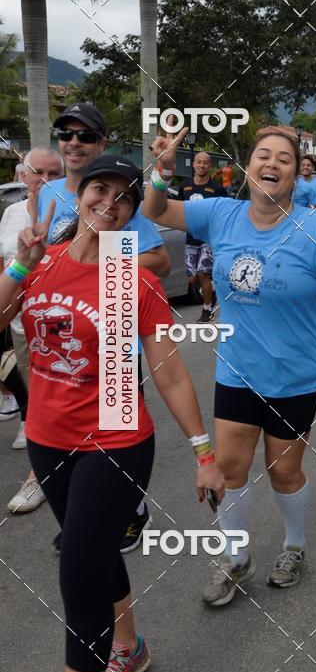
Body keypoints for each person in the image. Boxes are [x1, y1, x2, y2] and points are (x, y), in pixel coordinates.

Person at [0, 154, 224, 672]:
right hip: (47, 436)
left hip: (116, 437)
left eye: (124, 197)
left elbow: (169, 371)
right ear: (80, 195)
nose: (110, 202)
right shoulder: (38, 263)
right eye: (100, 188)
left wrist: (204, 452)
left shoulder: (131, 282)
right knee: (95, 554)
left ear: (131, 214)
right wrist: (19, 264)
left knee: (77, 569)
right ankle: (131, 646)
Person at [143, 125, 316, 604]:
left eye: (284, 158)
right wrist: (160, 173)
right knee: (231, 466)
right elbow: (154, 210)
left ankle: (294, 546)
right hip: (237, 369)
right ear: (248, 166)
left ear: (294, 172)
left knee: (283, 472)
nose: (272, 164)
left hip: (295, 375)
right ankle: (236, 558)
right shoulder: (221, 213)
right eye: (263, 155)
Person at [40, 102, 171, 554]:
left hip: (112, 330)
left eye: (85, 135)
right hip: (58, 325)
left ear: (100, 144)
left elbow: (158, 259)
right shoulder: (48, 192)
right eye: (66, 133)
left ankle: (128, 513)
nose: (73, 142)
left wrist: (104, 265)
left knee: (112, 430)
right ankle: (85, 521)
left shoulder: (117, 193)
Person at [0, 148, 64, 512]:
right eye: (38, 171)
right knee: (37, 397)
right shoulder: (10, 213)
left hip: (62, 326)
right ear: (22, 176)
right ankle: (44, 470)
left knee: (60, 398)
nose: (46, 179)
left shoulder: (73, 210)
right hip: (21, 324)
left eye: (54, 173)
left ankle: (39, 475)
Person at [177, 151, 228, 323]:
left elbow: (224, 213)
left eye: (205, 163)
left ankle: (206, 311)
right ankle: (211, 292)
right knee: (192, 278)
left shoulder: (217, 188)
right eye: (198, 162)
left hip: (208, 239)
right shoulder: (184, 186)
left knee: (203, 273)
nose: (201, 165)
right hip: (190, 238)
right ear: (193, 164)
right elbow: (178, 210)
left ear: (210, 165)